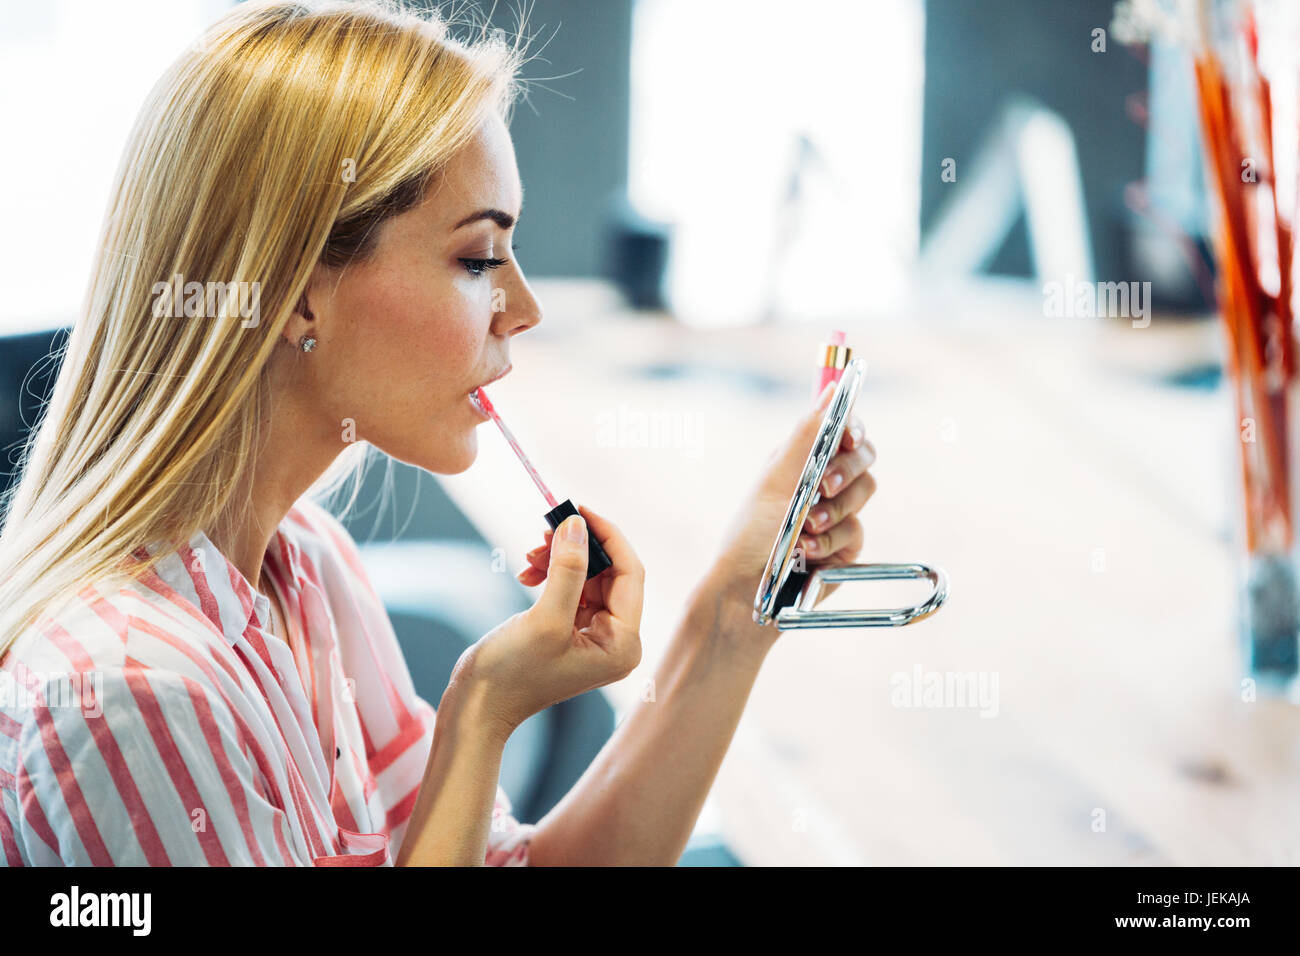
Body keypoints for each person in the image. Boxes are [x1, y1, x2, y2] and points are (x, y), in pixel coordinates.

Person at [0, 0, 876, 866]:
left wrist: (735, 607)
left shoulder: (306, 567)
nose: (523, 311)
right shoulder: (134, 694)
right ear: (300, 292)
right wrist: (481, 713)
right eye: (476, 260)